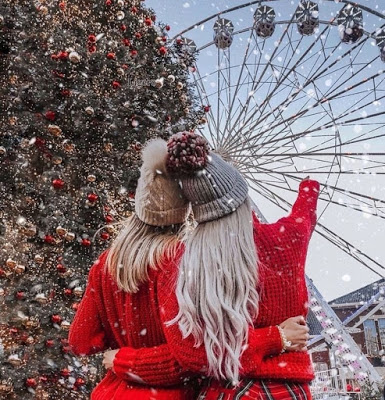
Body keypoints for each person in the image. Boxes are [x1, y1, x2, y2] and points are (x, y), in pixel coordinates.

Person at [69, 137, 309, 400]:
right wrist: (277, 337)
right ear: (186, 209)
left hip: (111, 393)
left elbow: (80, 342)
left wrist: (122, 349)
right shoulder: (179, 261)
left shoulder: (106, 263)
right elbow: (189, 359)